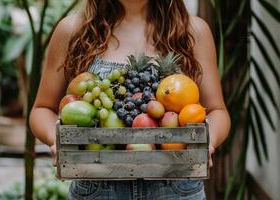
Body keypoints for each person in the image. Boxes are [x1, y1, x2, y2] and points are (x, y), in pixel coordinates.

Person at [29, 0, 231, 199]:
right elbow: (42, 109)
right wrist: (55, 139)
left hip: (177, 188)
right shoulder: (72, 30)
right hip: (96, 188)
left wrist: (209, 140)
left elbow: (217, 111)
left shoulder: (193, 31)